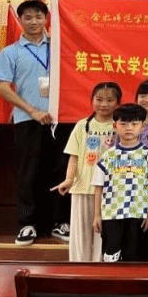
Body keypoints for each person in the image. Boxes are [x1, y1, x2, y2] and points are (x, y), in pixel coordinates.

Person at [0, 0, 67, 246]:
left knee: (61, 171)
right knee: (28, 173)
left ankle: (60, 222)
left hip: (61, 120)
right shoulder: (10, 52)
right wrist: (32, 110)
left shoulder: (60, 47)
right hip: (27, 120)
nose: (34, 21)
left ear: (46, 19)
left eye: (38, 16)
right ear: (20, 20)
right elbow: (2, 87)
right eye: (28, 17)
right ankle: (27, 224)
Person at [52, 81, 122, 261]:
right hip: (82, 187)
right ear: (92, 100)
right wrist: (69, 179)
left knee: (102, 234)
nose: (104, 104)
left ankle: (100, 269)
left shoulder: (120, 127)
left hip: (110, 191)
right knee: (80, 235)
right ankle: (78, 267)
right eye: (99, 99)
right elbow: (74, 156)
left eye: (109, 100)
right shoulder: (82, 126)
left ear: (118, 103)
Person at [92, 103, 148, 262]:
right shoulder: (108, 156)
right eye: (124, 123)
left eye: (134, 124)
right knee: (112, 258)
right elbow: (98, 187)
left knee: (136, 258)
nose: (129, 128)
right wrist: (97, 215)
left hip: (138, 214)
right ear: (115, 126)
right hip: (112, 214)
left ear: (143, 126)